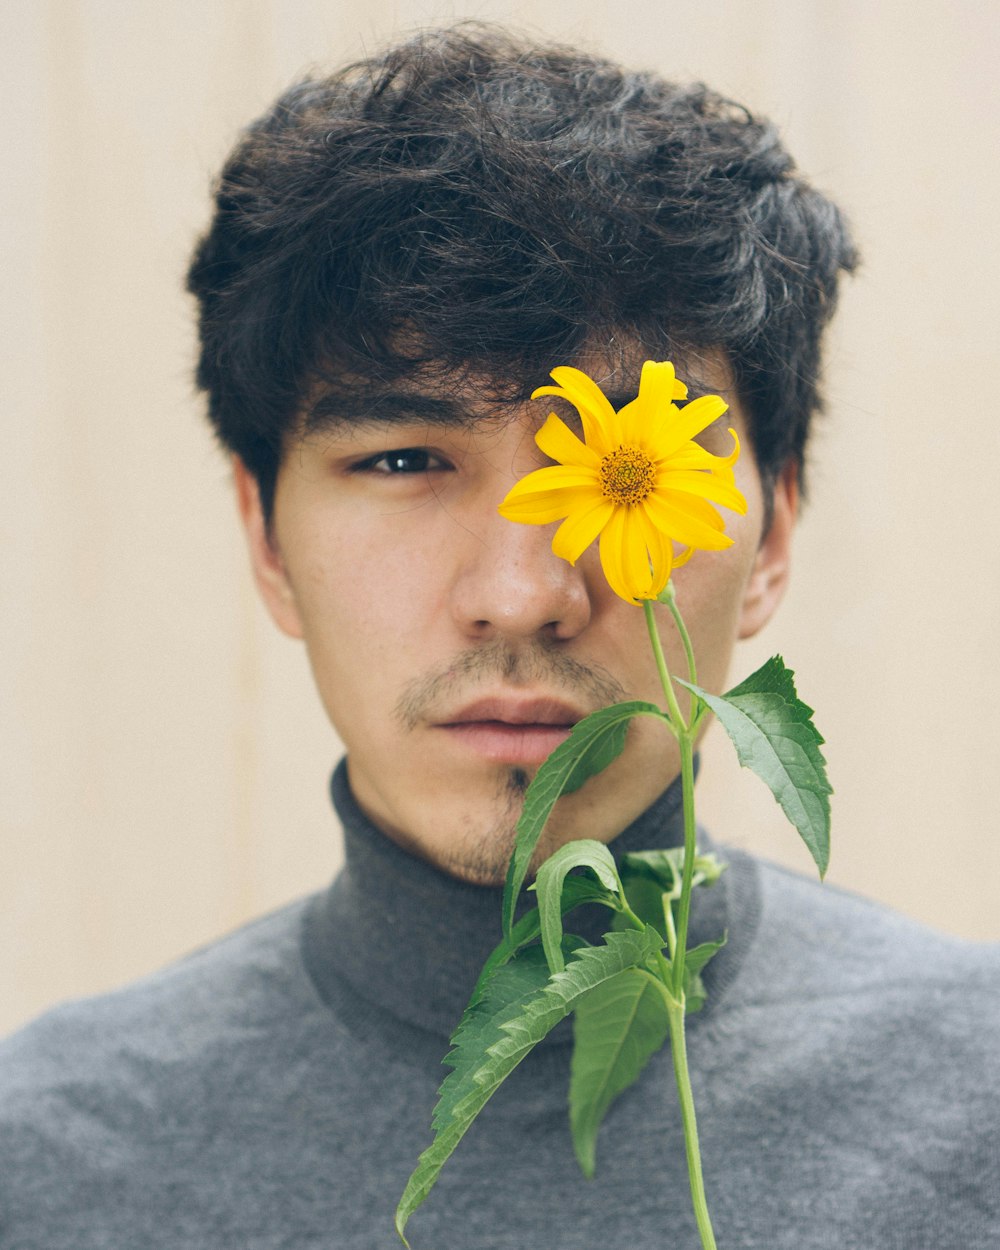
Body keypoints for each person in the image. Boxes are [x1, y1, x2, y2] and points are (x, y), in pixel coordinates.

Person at [1, 24, 997, 1250]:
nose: (524, 591)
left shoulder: (978, 1106)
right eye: (406, 458)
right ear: (265, 535)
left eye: (630, 469)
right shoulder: (45, 1157)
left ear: (773, 533)